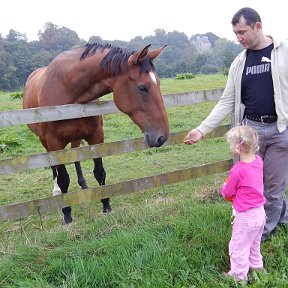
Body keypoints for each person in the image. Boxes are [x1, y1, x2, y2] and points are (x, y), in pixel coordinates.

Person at [184, 7, 288, 241]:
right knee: (254, 184)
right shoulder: (239, 63)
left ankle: (263, 233)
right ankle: (278, 220)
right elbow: (226, 101)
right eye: (235, 33)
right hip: (251, 133)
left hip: (281, 130)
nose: (238, 38)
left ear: (258, 26)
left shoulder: (283, 51)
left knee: (274, 187)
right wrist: (202, 129)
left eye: (242, 32)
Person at [221, 125, 266, 282]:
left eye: (231, 144)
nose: (230, 146)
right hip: (260, 212)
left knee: (238, 247)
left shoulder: (238, 170)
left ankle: (239, 277)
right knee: (254, 243)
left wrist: (224, 189)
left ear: (239, 148)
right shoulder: (258, 161)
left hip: (245, 216)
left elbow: (228, 191)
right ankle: (257, 267)